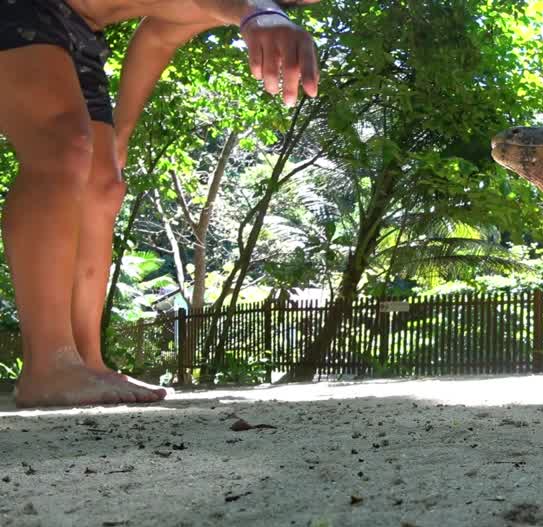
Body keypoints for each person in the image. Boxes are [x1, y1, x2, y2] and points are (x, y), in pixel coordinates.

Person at [1, 1, 320, 408]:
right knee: (63, 145)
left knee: (104, 185)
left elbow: (158, 36)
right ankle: (49, 364)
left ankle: (86, 361)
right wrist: (256, 13)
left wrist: (122, 131)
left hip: (80, 30)